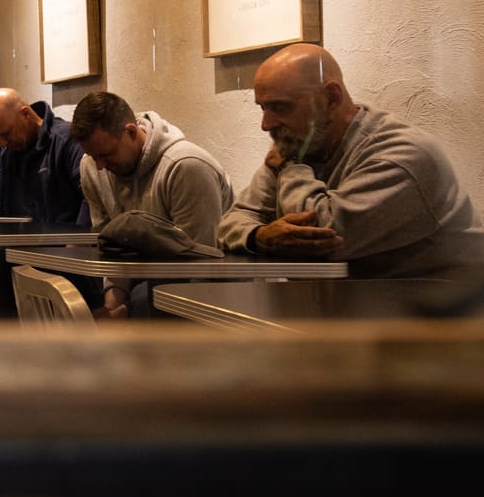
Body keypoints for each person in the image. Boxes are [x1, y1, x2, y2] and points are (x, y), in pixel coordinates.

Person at [218, 44, 484, 279]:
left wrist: (290, 168)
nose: (266, 125)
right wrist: (259, 237)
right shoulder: (298, 145)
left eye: (280, 107)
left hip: (441, 325)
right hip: (355, 315)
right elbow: (231, 222)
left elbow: (321, 235)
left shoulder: (403, 156)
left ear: (331, 98)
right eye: (263, 108)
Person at [70, 91, 233, 318]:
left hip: (211, 303)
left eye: (106, 154)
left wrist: (126, 314)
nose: (99, 166)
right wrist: (112, 308)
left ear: (130, 131)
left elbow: (198, 267)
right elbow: (112, 250)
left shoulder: (186, 167)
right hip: (144, 298)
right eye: (93, 155)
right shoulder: (90, 165)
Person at [0, 88, 93, 318]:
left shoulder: (66, 141)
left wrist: (76, 247)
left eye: (6, 134)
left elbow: (90, 196)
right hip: (17, 256)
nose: (3, 143)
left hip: (60, 260)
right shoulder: (3, 150)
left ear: (26, 114)